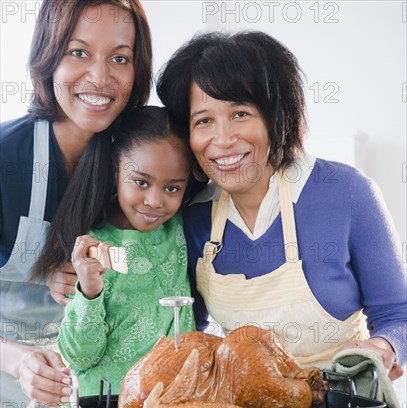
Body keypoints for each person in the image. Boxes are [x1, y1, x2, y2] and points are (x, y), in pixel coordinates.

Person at [156, 31, 406, 380]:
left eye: (240, 113)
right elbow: (187, 334)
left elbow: (398, 313)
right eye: (204, 121)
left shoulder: (347, 193)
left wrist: (385, 346)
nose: (223, 139)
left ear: (277, 117)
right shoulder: (194, 217)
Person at [0, 0, 152, 406]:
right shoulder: (5, 157)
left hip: (97, 390)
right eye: (78, 52)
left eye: (120, 58)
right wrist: (18, 361)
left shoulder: (136, 165)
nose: (100, 77)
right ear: (47, 56)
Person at [57, 107, 196, 408]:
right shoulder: (90, 249)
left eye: (172, 188)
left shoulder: (175, 229)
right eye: (140, 182)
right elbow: (79, 357)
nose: (155, 201)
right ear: (114, 171)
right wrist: (89, 291)